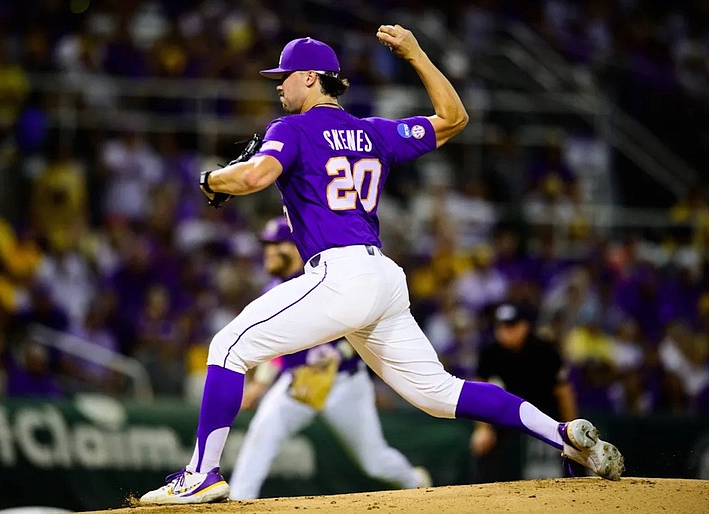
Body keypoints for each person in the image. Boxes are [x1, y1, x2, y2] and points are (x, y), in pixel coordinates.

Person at [140, 25, 624, 505]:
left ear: (311, 77)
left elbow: (256, 176)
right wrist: (415, 54)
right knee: (438, 393)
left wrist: (211, 179)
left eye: (284, 77)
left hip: (339, 273)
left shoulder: (289, 128)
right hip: (383, 278)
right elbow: (454, 118)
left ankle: (201, 474)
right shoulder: (373, 132)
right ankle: (561, 434)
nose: (279, 86)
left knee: (227, 346)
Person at [229, 217, 431, 500]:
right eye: (267, 245)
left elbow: (364, 323)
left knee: (374, 460)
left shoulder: (330, 278)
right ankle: (239, 500)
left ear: (296, 246)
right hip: (300, 384)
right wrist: (259, 385)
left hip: (344, 384)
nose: (270, 251)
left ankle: (413, 480)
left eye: (278, 244)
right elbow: (274, 351)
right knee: (262, 435)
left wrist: (340, 352)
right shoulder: (273, 291)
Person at [469, 302, 578, 483]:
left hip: (545, 411)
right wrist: (482, 429)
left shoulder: (544, 350)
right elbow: (478, 392)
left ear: (524, 326)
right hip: (510, 411)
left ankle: (580, 487)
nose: (506, 331)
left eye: (511, 326)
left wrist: (570, 428)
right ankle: (479, 494)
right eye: (502, 326)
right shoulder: (490, 351)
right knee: (482, 443)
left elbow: (564, 392)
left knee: (574, 446)